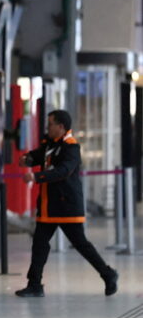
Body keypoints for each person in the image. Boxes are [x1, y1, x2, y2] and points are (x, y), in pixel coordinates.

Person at [16, 109, 119, 298]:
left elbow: (63, 171)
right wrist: (27, 160)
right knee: (39, 243)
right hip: (48, 205)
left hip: (66, 206)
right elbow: (39, 155)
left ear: (61, 127)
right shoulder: (50, 143)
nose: (48, 127)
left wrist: (36, 176)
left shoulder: (71, 147)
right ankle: (35, 284)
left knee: (80, 244)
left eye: (50, 124)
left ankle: (108, 274)